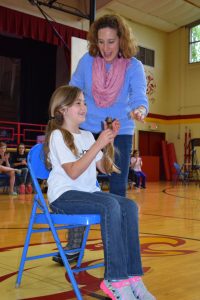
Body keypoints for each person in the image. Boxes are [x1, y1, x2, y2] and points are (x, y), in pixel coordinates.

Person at [44, 85, 155, 300]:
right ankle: (114, 279)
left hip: (88, 194)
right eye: (78, 103)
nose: (84, 106)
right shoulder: (58, 135)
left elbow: (104, 168)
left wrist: (108, 143)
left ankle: (132, 277)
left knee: (129, 205)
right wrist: (98, 145)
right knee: (110, 205)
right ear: (62, 109)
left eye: (85, 102)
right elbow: (74, 172)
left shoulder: (86, 136)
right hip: (64, 197)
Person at [56, 13, 149, 265]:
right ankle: (74, 247)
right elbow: (74, 89)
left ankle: (117, 251)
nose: (105, 48)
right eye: (101, 42)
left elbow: (140, 96)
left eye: (111, 42)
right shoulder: (87, 61)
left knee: (117, 190)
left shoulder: (134, 66)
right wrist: (63, 111)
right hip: (87, 131)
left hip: (120, 131)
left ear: (121, 40)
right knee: (80, 187)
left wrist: (140, 110)